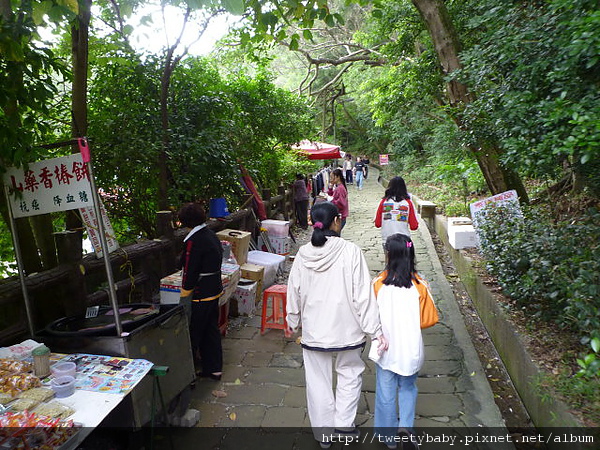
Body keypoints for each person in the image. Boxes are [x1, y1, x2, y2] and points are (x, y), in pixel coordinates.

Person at [285, 202, 388, 448]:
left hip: (315, 331)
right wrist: (375, 331)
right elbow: (363, 295)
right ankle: (344, 424)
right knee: (350, 375)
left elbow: (293, 291)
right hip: (347, 329)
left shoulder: (302, 254)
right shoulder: (351, 251)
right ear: (336, 222)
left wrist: (292, 320)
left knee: (317, 381)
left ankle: (323, 435)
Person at [372, 234, 433, 449]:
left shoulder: (378, 284)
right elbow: (428, 319)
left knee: (385, 390)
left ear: (389, 256)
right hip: (410, 349)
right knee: (408, 387)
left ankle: (388, 436)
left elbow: (371, 317)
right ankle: (406, 427)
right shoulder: (420, 285)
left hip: (385, 349)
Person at [178, 202, 224, 381]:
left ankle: (185, 374)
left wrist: (185, 292)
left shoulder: (194, 241)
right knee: (211, 330)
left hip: (201, 293)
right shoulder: (211, 234)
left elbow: (190, 269)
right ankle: (214, 369)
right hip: (214, 288)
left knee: (194, 333)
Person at [374, 176, 418, 246]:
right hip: (405, 242)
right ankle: (410, 252)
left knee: (388, 255)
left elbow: (377, 224)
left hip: (387, 242)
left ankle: (387, 256)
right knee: (410, 247)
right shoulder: (408, 202)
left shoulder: (384, 202)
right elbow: (414, 226)